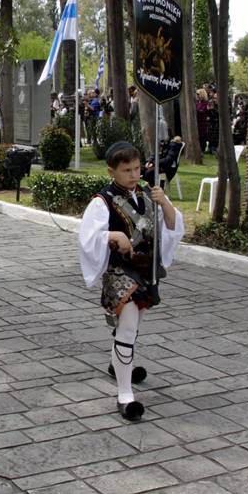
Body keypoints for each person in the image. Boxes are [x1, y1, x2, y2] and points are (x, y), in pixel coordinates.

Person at [78, 142, 184, 421]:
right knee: (127, 327)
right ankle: (125, 395)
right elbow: (88, 238)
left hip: (146, 270)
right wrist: (112, 236)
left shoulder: (150, 194)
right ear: (111, 171)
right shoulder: (102, 201)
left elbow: (173, 225)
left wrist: (164, 203)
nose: (134, 175)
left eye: (137, 168)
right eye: (127, 170)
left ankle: (118, 364)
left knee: (133, 327)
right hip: (119, 272)